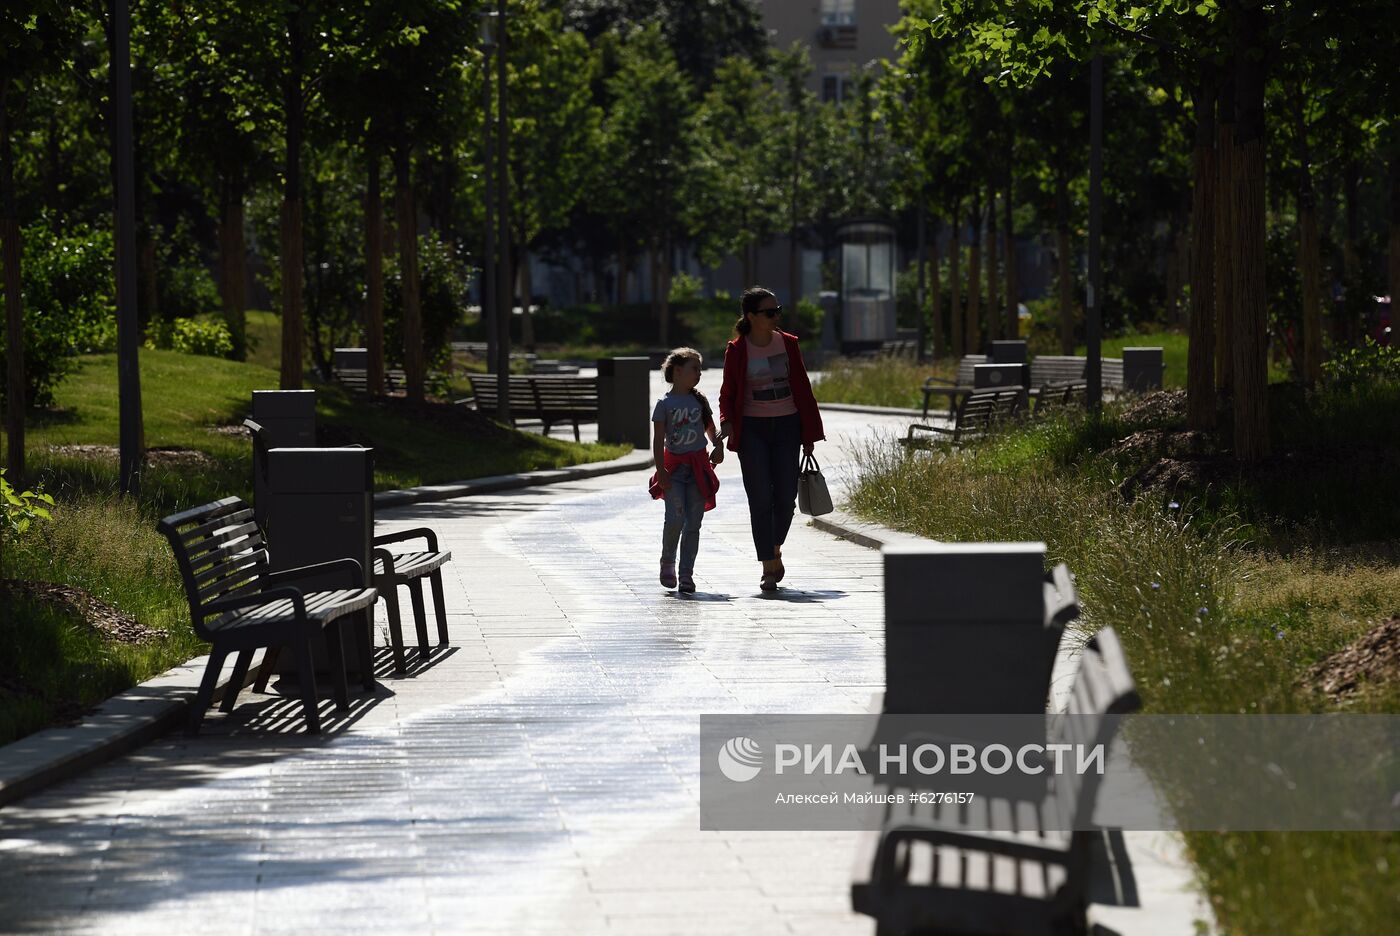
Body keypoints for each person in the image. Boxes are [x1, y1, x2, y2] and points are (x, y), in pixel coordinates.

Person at [718, 287, 825, 592]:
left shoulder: (788, 343)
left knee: (786, 498)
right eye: (769, 312)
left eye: (778, 309)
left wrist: (809, 432)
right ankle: (768, 565)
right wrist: (726, 422)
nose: (776, 315)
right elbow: (728, 392)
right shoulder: (737, 350)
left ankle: (774, 548)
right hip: (752, 428)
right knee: (760, 498)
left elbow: (803, 388)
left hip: (787, 425)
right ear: (751, 316)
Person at [650, 347, 723, 594]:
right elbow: (658, 440)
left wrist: (718, 445)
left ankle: (686, 575)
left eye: (700, 369)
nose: (698, 374)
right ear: (678, 371)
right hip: (674, 470)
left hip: (698, 469)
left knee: (694, 523)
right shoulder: (664, 404)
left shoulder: (698, 401)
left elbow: (711, 429)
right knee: (675, 518)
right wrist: (661, 472)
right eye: (695, 369)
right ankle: (667, 561)